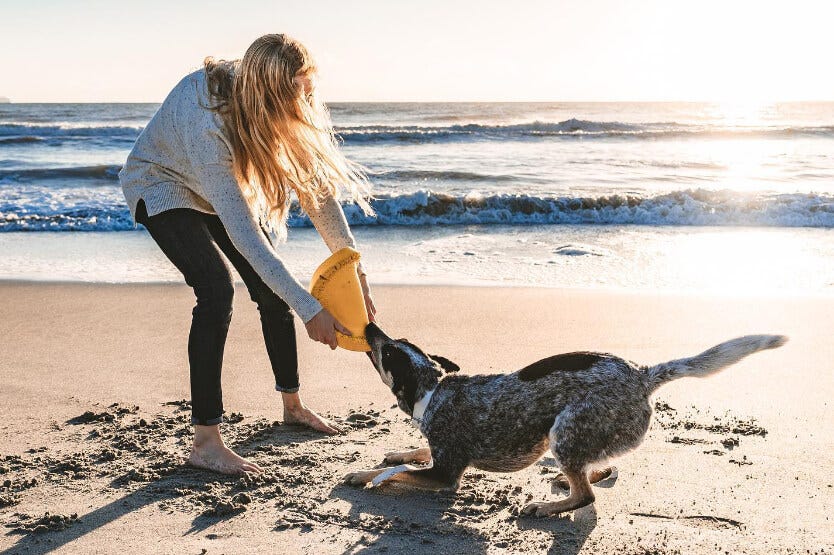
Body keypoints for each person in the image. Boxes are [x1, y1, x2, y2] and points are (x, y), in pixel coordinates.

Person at [119, 34, 375, 475]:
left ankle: (292, 406)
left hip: (211, 188)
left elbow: (317, 196)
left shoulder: (279, 103)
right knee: (216, 290)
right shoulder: (208, 121)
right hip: (160, 183)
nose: (304, 104)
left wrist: (357, 271)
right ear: (269, 95)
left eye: (307, 92)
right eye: (297, 95)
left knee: (270, 291)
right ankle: (206, 442)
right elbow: (246, 238)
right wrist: (310, 309)